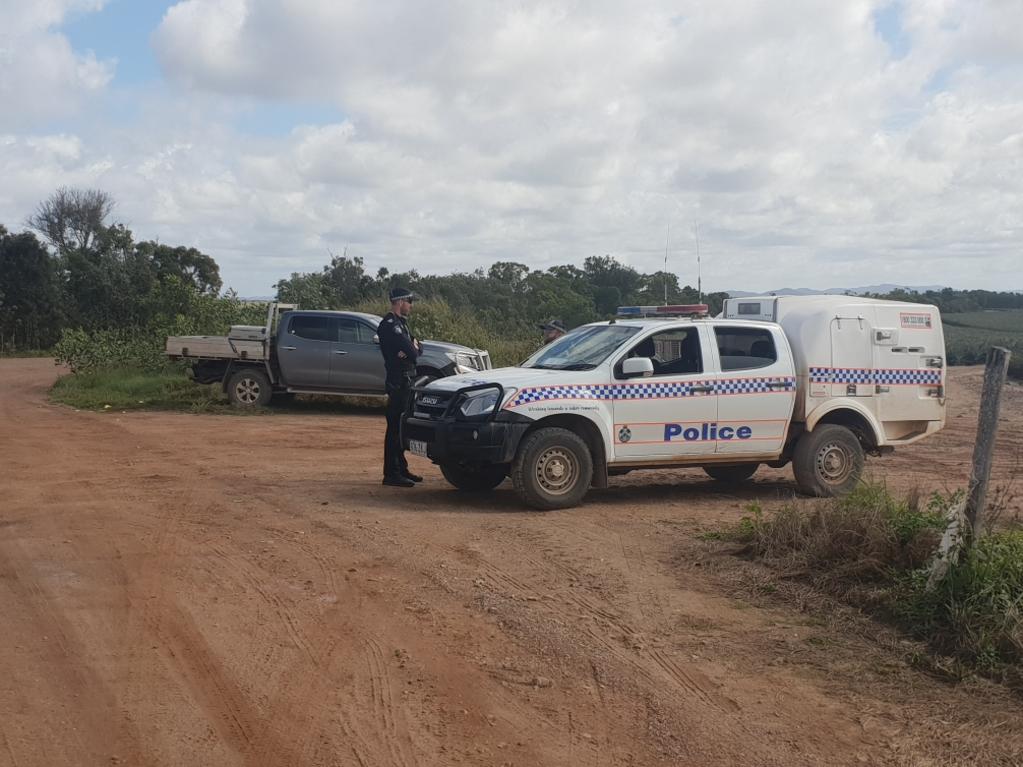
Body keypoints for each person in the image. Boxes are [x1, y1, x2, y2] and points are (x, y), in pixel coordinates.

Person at [378, 287, 423, 488]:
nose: (411, 306)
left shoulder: (401, 324)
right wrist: (411, 348)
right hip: (398, 382)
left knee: (401, 427)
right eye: (409, 301)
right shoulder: (390, 325)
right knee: (395, 428)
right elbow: (413, 353)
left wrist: (412, 347)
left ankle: (401, 468)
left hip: (406, 381)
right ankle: (392, 473)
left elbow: (418, 349)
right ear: (400, 301)